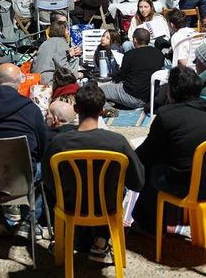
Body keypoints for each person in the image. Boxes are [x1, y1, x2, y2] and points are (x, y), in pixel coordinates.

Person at [42, 82, 144, 263]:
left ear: (75, 108)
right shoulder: (117, 142)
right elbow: (137, 181)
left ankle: (65, 237)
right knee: (118, 187)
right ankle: (101, 240)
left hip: (70, 206)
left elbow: (48, 181)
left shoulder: (59, 142)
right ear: (103, 111)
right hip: (107, 207)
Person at [131, 66, 206, 234]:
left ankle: (147, 224)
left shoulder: (168, 115)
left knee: (149, 168)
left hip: (188, 186)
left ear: (171, 92)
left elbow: (146, 153)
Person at [0, 62, 48, 239]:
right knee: (44, 166)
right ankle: (28, 219)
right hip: (22, 179)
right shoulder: (31, 110)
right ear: (19, 83)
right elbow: (42, 147)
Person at [99, 28, 165, 109]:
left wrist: (120, 69)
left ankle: (109, 110)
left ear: (134, 40)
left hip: (131, 96)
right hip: (150, 96)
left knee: (97, 92)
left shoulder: (129, 55)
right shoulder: (159, 54)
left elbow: (121, 77)